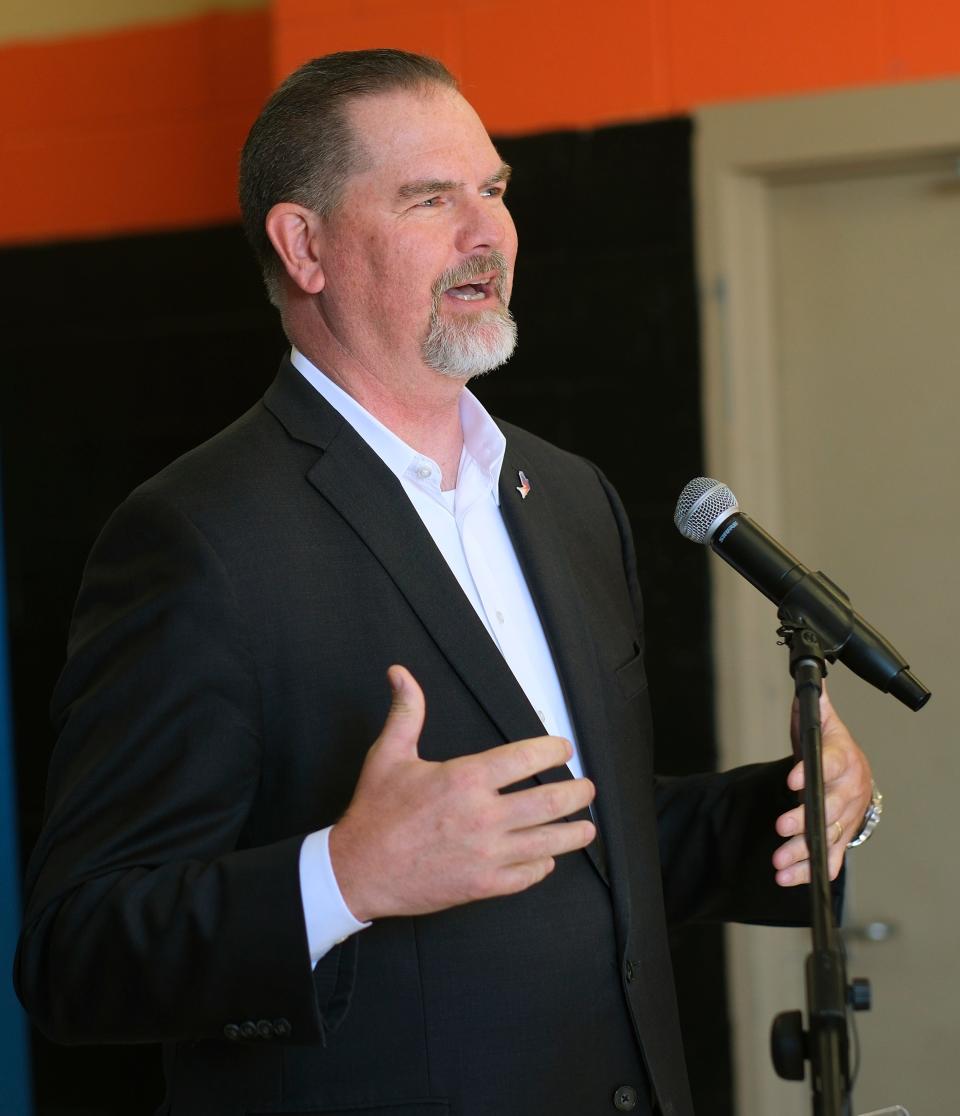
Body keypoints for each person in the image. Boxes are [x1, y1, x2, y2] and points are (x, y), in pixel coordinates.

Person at [15, 49, 873, 1116]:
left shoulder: (567, 496)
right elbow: (78, 953)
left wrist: (799, 810)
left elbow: (588, 837)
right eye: (431, 198)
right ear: (305, 245)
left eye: (495, 190)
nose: (488, 234)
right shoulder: (196, 538)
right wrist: (345, 876)